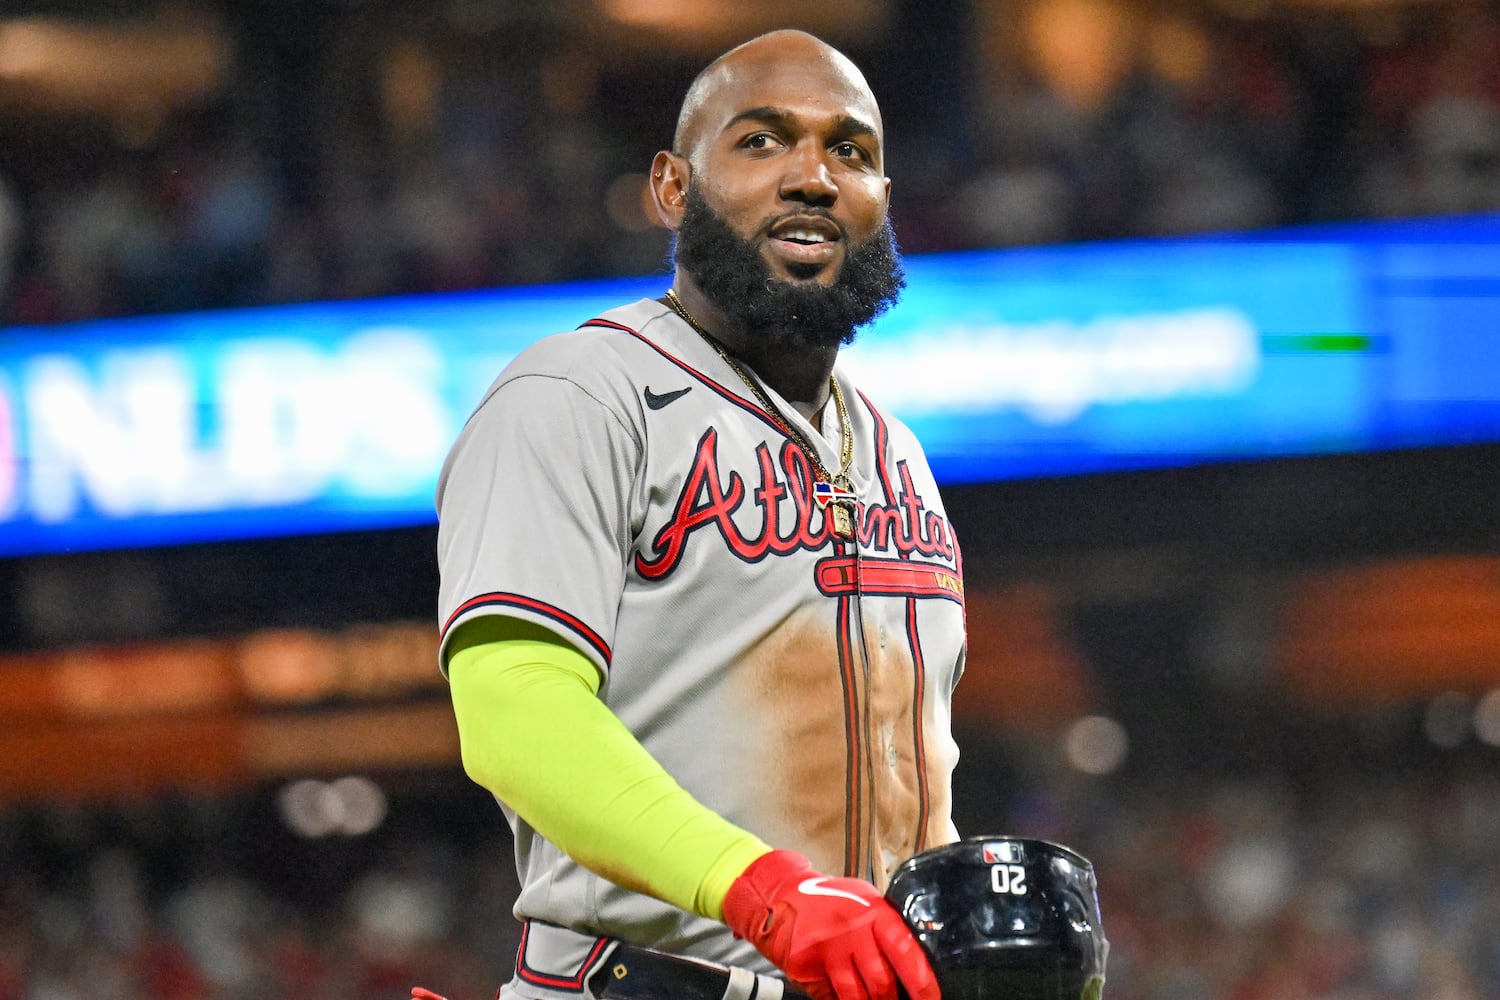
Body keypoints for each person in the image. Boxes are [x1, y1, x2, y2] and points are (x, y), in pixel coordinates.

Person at [430, 28, 967, 1000]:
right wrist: (759, 891)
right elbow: (513, 706)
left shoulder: (899, 457)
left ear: (885, 199)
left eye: (850, 150)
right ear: (674, 187)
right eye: (762, 142)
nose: (812, 175)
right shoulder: (579, 392)